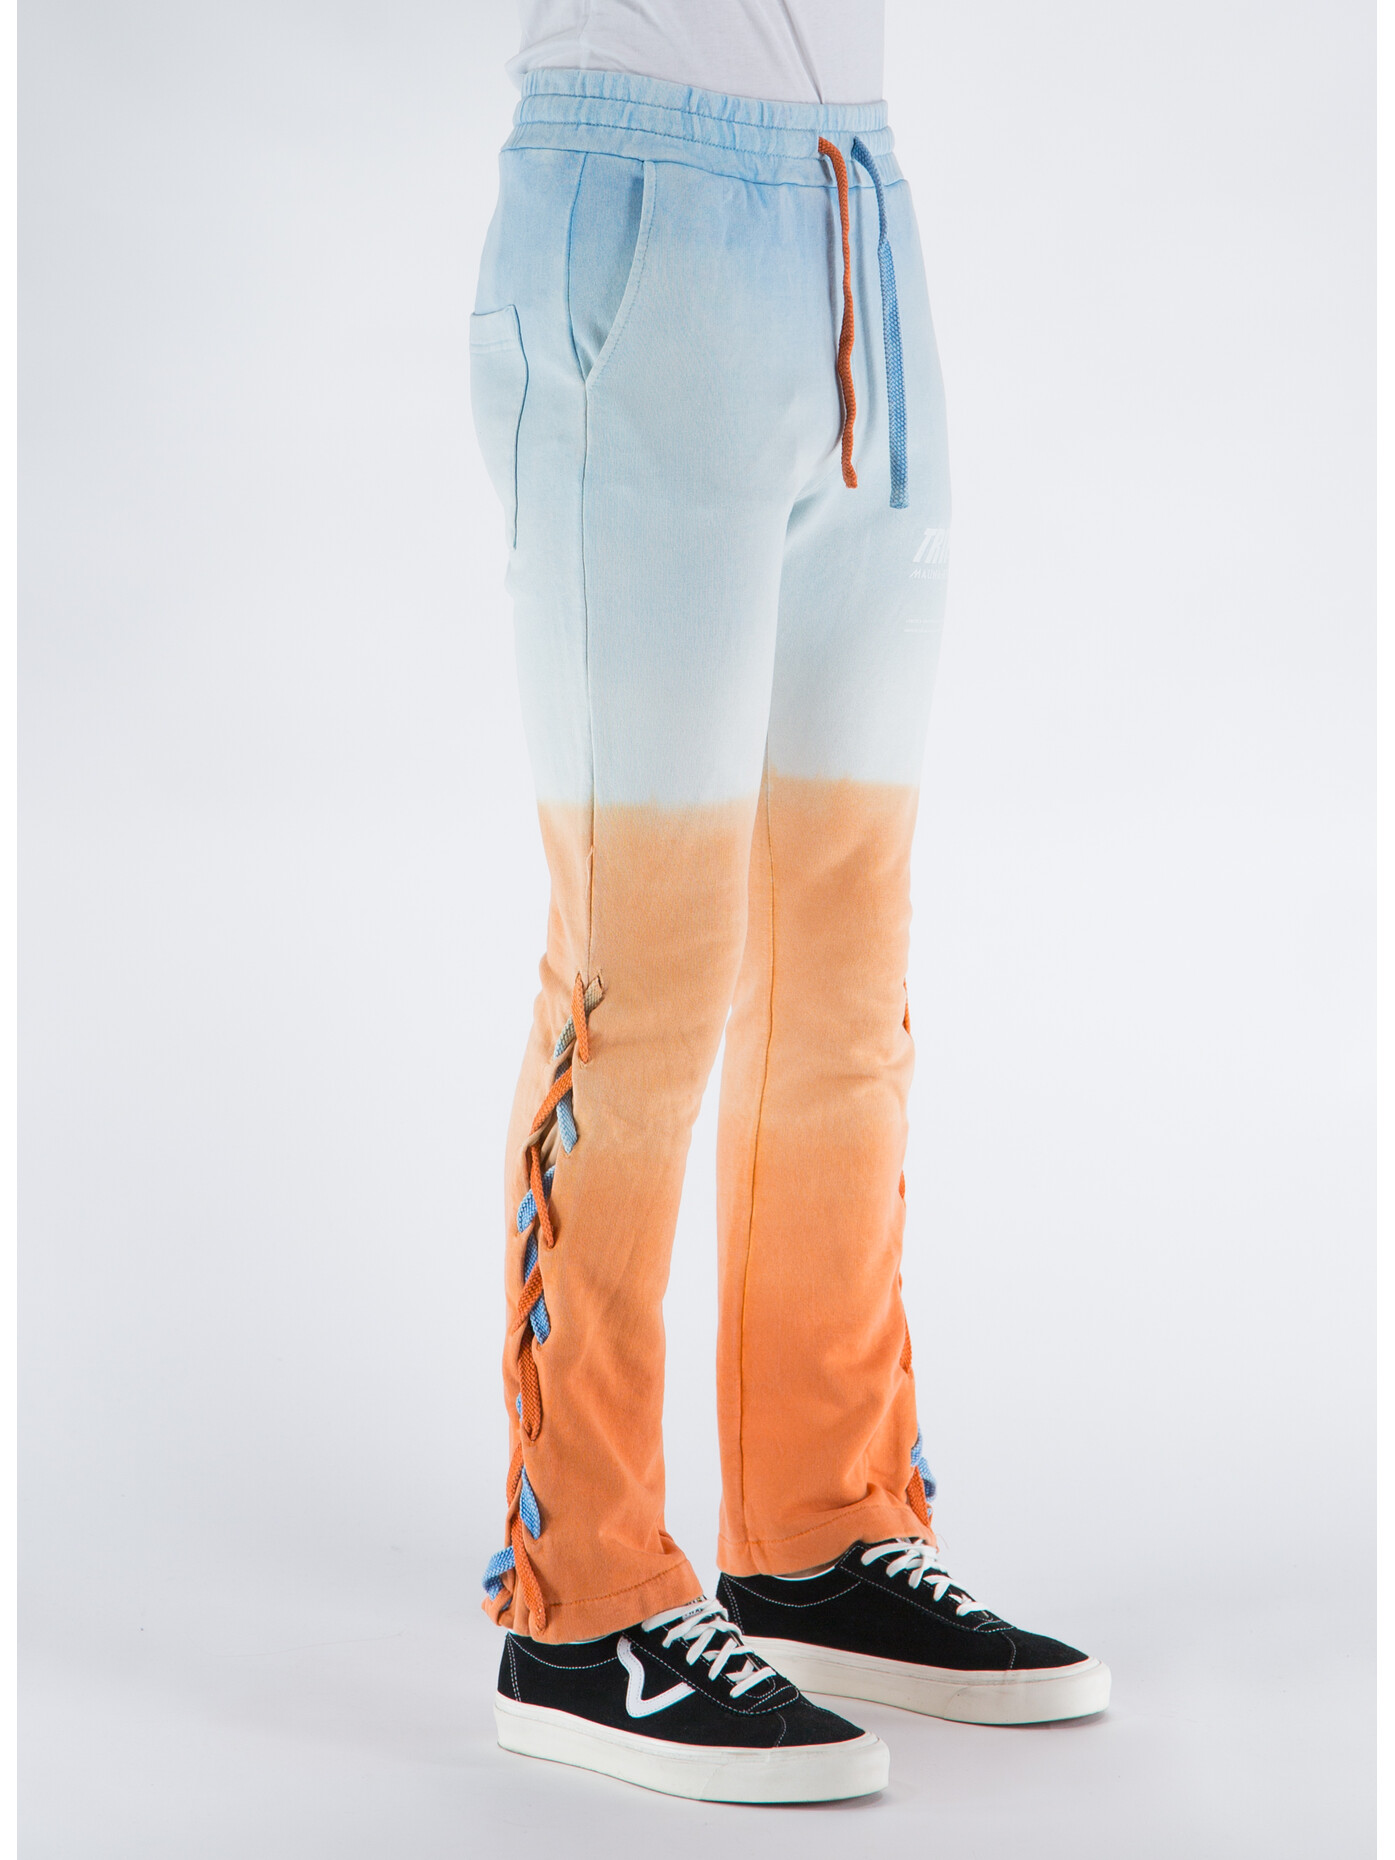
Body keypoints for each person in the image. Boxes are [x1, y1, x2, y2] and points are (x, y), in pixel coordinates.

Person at [469, 0, 1110, 1803]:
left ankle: (822, 1532)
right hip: (635, 189)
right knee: (645, 960)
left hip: (858, 210)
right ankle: (581, 1605)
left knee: (843, 962)